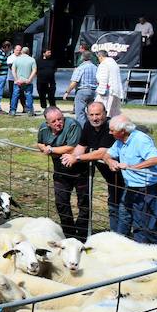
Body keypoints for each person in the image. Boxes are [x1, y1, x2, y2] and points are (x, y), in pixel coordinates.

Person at [105, 116, 157, 248]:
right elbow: (107, 155)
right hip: (132, 186)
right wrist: (110, 161)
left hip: (149, 188)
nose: (110, 132)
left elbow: (155, 159)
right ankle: (133, 251)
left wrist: (132, 167)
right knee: (131, 220)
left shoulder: (141, 140)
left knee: (149, 227)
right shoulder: (120, 140)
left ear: (123, 131)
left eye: (112, 130)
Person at [69, 100, 123, 234]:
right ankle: (115, 234)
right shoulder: (88, 126)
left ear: (105, 113)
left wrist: (76, 158)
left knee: (126, 208)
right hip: (112, 177)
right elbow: (82, 145)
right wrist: (70, 158)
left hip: (125, 175)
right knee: (114, 205)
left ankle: (127, 237)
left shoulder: (111, 128)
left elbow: (102, 152)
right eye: (91, 114)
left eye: (98, 114)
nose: (95, 118)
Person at [37, 107, 87, 240]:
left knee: (83, 204)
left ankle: (82, 235)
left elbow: (71, 147)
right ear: (47, 123)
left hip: (80, 171)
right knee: (61, 203)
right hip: (60, 171)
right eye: (53, 121)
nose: (58, 123)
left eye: (60, 119)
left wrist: (51, 149)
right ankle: (69, 234)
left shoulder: (72, 126)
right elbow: (40, 143)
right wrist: (43, 147)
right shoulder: (43, 128)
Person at [62, 48, 98, 126]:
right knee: (90, 112)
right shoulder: (96, 68)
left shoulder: (80, 68)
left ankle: (83, 130)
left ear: (82, 57)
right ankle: (91, 127)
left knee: (80, 113)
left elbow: (74, 81)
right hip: (93, 91)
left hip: (82, 91)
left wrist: (67, 92)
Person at [95, 42, 124, 118]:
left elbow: (103, 78)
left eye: (98, 58)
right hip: (115, 90)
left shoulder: (104, 64)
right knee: (113, 111)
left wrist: (101, 90)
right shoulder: (113, 63)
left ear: (100, 56)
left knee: (101, 109)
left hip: (107, 90)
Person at [10, 44, 37, 116]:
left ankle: (12, 111)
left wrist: (16, 79)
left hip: (18, 81)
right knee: (29, 96)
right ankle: (30, 111)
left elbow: (13, 70)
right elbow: (34, 70)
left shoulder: (16, 59)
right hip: (28, 82)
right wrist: (29, 79)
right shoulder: (32, 60)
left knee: (15, 96)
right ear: (28, 52)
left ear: (22, 52)